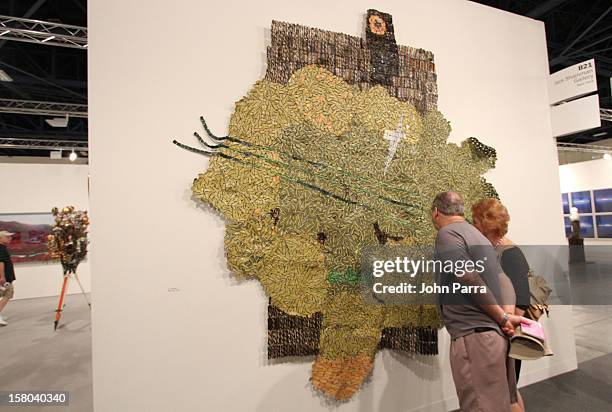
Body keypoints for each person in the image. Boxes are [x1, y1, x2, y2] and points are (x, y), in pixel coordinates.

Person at [431, 192, 531, 412]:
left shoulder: (447, 234)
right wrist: (506, 316)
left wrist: (503, 317)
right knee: (502, 404)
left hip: (474, 338)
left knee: (479, 405)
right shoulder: (478, 237)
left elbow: (467, 277)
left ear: (436, 212)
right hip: (495, 337)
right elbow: (503, 280)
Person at [472, 198, 530, 412]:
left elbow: (522, 297)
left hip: (508, 331)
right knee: (507, 389)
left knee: (508, 392)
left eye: (476, 221)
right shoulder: (491, 250)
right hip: (501, 328)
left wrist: (509, 328)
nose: (473, 225)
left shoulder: (509, 252)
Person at [0, 230, 16, 326]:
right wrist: (2, 277)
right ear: (1, 238)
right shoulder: (1, 249)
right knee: (8, 294)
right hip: (4, 278)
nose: (10, 238)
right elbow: (0, 263)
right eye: (7, 237)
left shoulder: (3, 247)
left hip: (5, 277)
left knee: (4, 294)